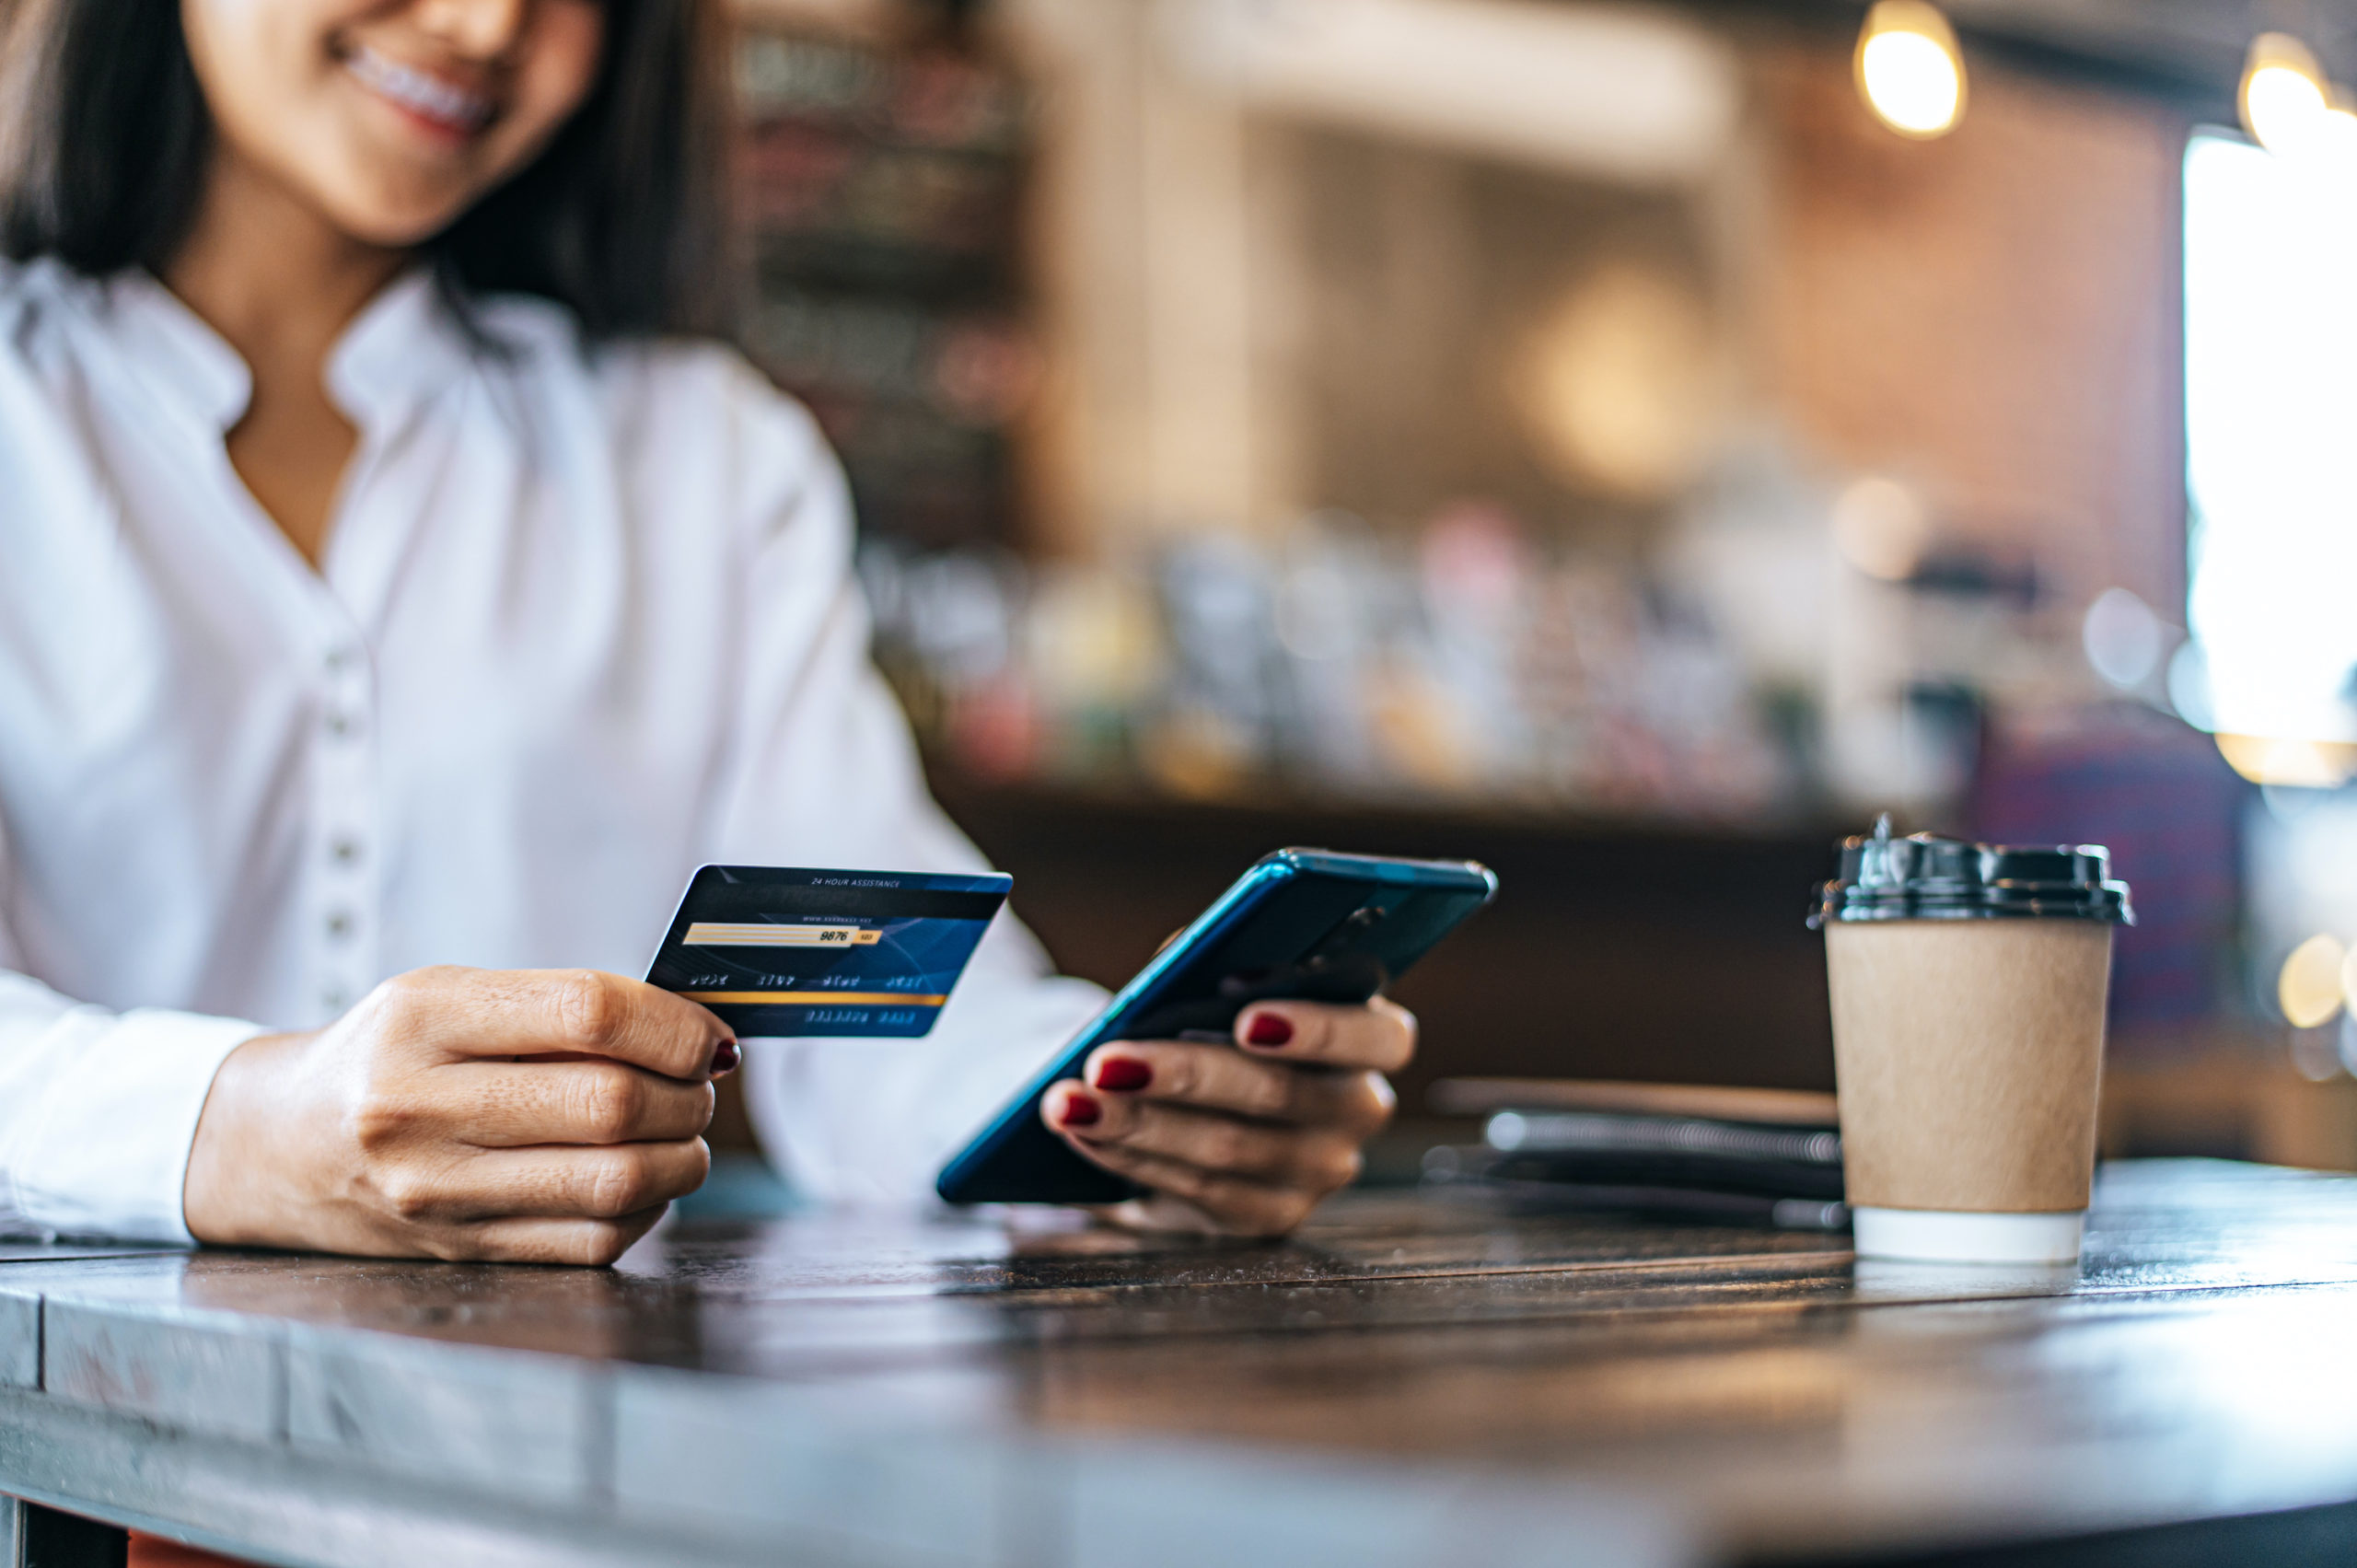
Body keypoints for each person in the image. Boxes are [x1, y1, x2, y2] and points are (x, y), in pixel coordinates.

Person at [0, 0, 1414, 1266]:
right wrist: (241, 1128)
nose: (491, 25)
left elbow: (858, 999)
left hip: (537, 1482)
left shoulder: (701, 460)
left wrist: (1123, 1103)